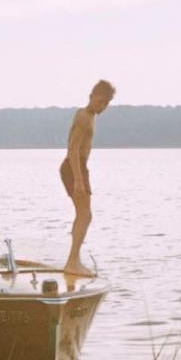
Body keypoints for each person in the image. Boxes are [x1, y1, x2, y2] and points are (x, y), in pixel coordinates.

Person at [61, 79, 115, 276]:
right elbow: (73, 148)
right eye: (100, 102)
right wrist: (79, 181)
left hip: (81, 167)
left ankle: (74, 260)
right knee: (85, 214)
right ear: (91, 97)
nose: (102, 107)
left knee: (84, 214)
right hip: (73, 167)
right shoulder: (83, 116)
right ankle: (72, 261)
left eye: (106, 104)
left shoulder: (92, 116)